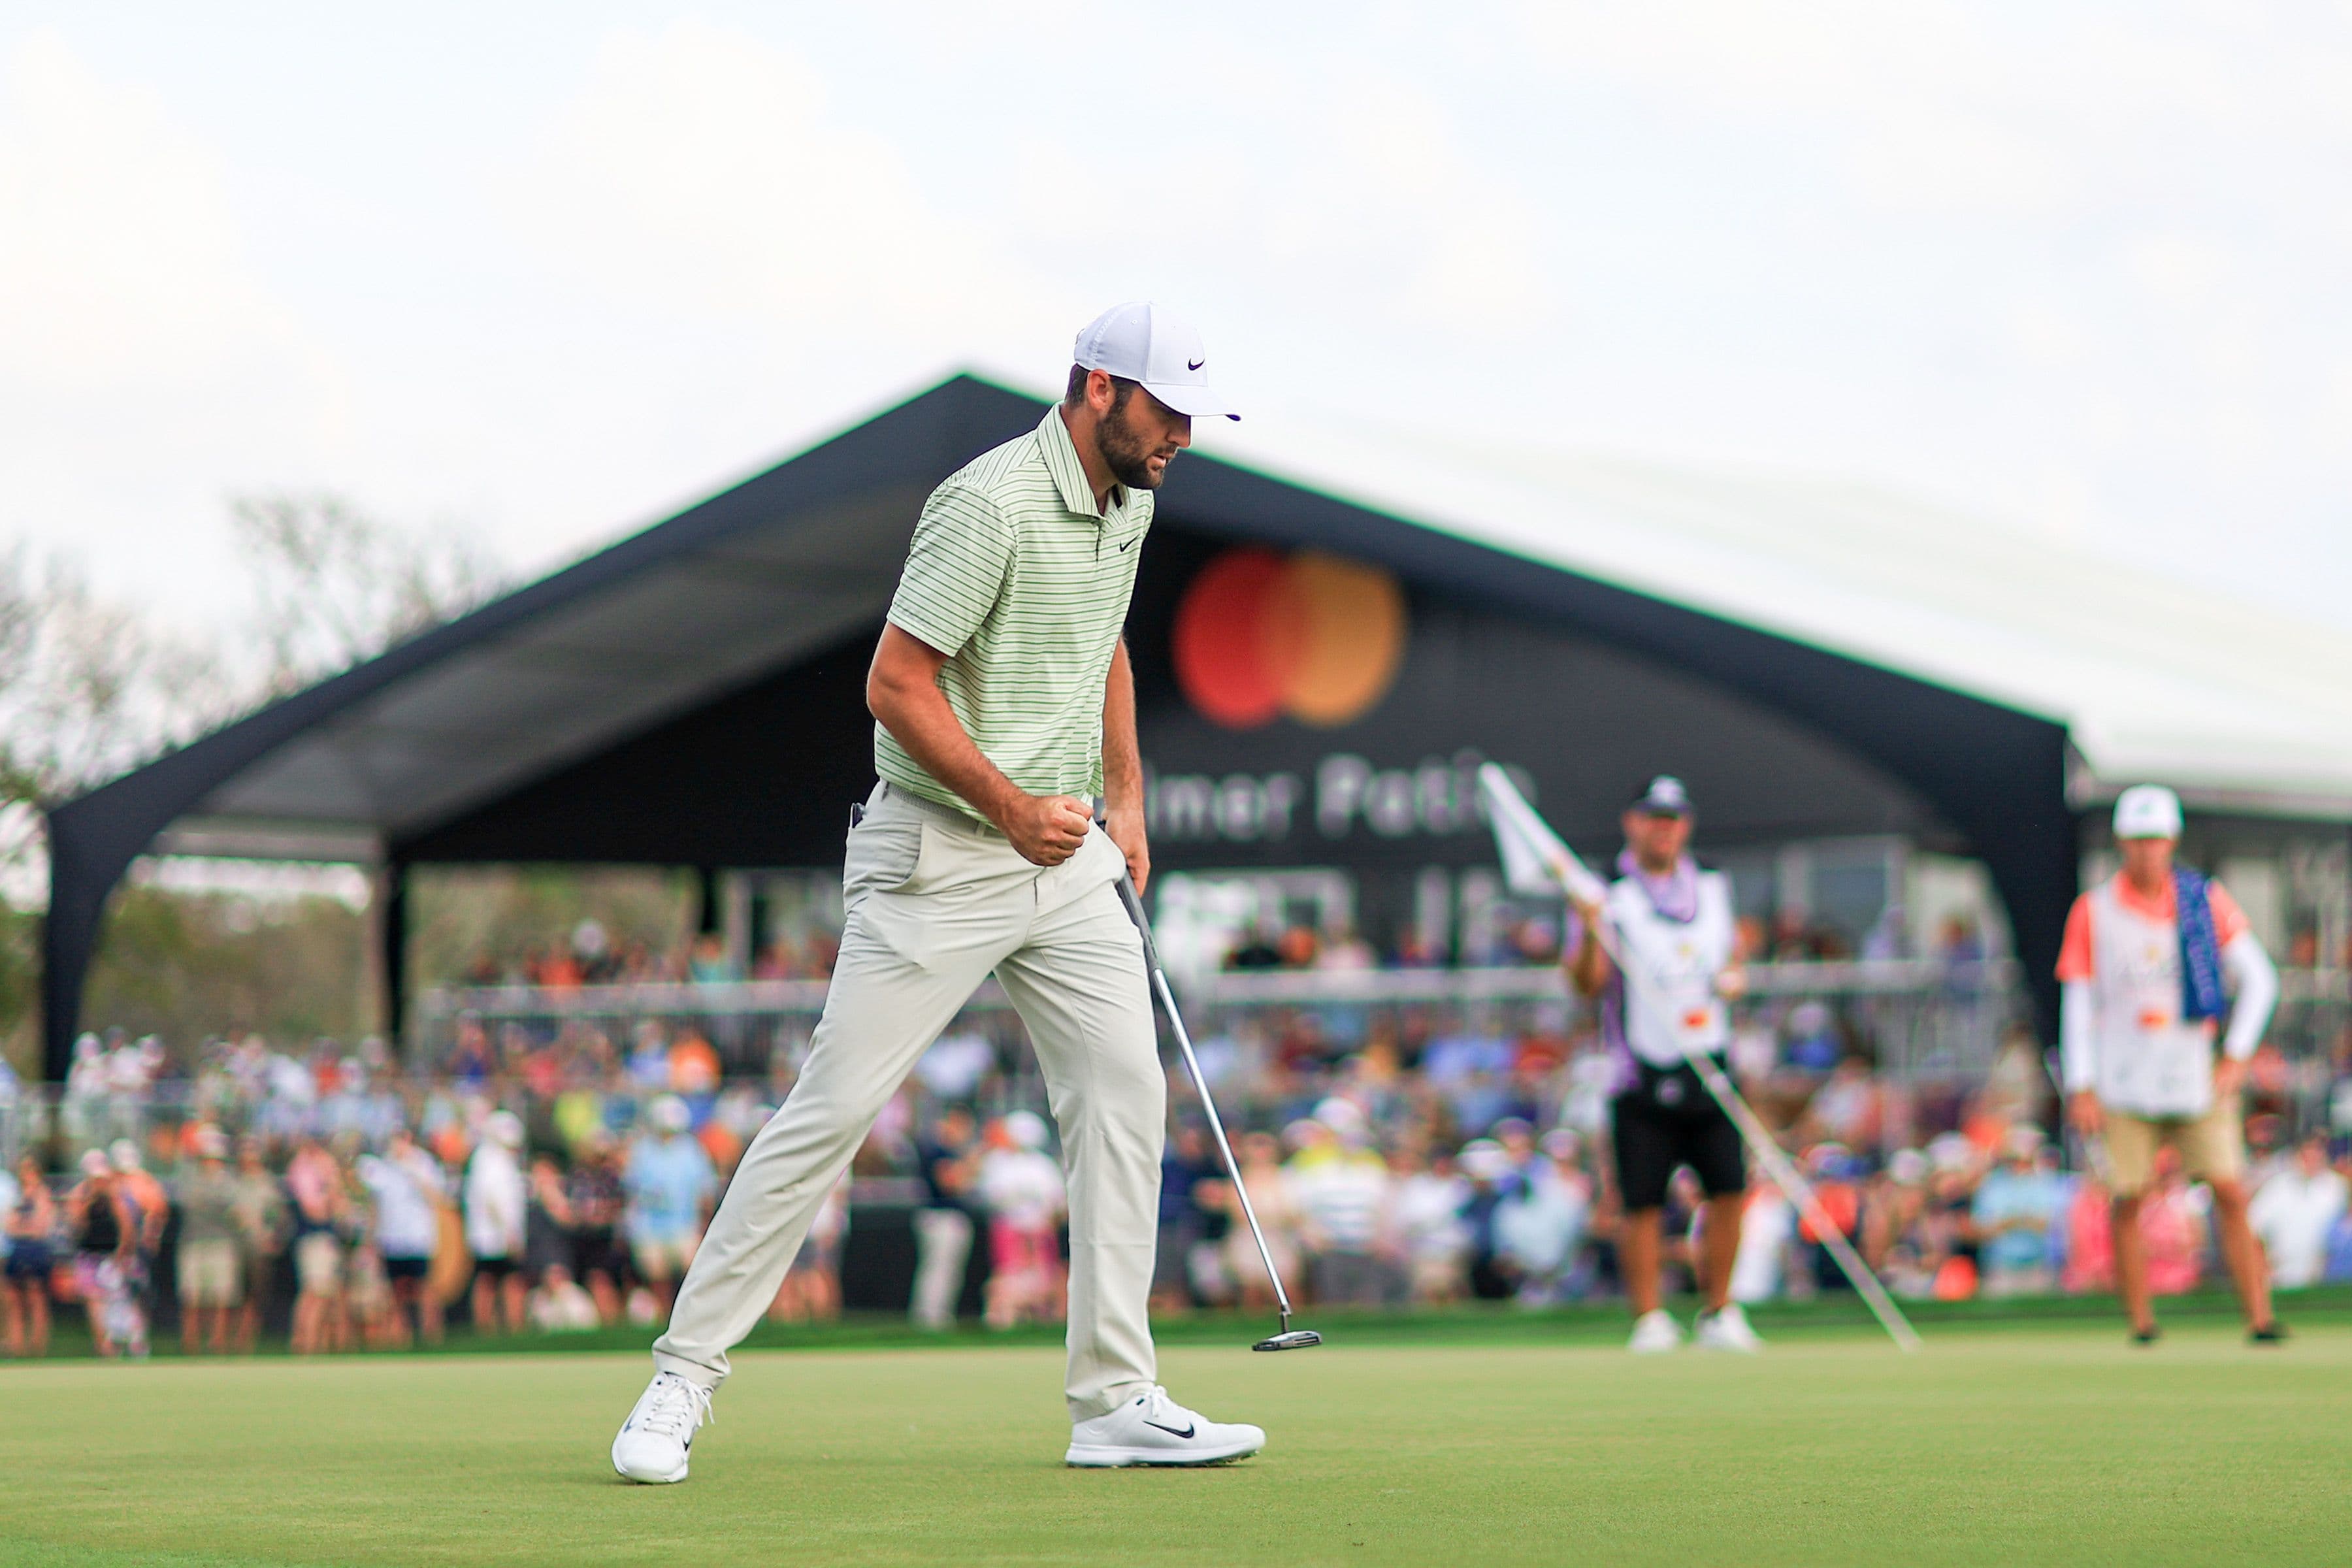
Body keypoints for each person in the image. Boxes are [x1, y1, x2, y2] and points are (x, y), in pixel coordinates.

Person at [613, 303, 1261, 1482]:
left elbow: (1105, 643)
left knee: (1126, 1096)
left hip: (1066, 855)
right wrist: (1010, 807)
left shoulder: (1133, 500)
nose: (1182, 436)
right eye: (1167, 411)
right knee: (832, 1112)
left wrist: (1127, 796)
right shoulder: (989, 504)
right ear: (1098, 389)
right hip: (941, 854)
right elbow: (895, 684)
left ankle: (1116, 1399)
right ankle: (682, 1377)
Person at [2058, 785, 2284, 1344]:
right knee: (2127, 1196)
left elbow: (2260, 979)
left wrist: (2236, 1055)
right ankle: (2142, 1322)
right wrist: (2081, 1083)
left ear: (2172, 841)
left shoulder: (2203, 901)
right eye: (2138, 840)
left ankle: (2260, 1317)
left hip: (2192, 1073)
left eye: (2156, 839)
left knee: (2229, 1190)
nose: (2147, 851)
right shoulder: (2094, 911)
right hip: (2123, 1075)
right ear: (2122, 843)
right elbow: (2079, 1001)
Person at [1564, 776, 1761, 1353]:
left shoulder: (1713, 885)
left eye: (1672, 819)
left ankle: (1719, 1310)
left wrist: (1735, 977)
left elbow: (1731, 958)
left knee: (1728, 1189)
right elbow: (1586, 984)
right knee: (1642, 1199)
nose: (1664, 830)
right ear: (1633, 823)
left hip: (1709, 1060)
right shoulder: (1609, 891)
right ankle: (1649, 1316)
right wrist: (1591, 929)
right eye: (1653, 818)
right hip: (1640, 1069)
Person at [622, 1096, 717, 1318]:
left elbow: (705, 1190)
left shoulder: (692, 1150)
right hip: (649, 1227)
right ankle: (664, 1317)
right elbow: (632, 1189)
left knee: (691, 1275)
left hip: (684, 1224)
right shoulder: (642, 1151)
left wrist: (704, 1224)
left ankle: (690, 1317)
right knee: (657, 1277)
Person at [977, 1111, 1067, 1330]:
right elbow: (991, 1197)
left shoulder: (1043, 1165)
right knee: (1009, 1276)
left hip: (1040, 1231)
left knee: (1043, 1278)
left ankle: (1043, 1319)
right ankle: (1002, 1318)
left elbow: (1057, 1202)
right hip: (1009, 1230)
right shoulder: (997, 1162)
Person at [357, 1127, 446, 1346]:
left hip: (418, 1237)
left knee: (424, 1288)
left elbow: (437, 1197)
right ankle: (401, 1337)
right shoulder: (383, 1166)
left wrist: (413, 1173)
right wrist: (371, 1238)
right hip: (392, 1238)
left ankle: (431, 1335)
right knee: (396, 1291)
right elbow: (376, 1205)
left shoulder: (423, 1163)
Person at [171, 1128, 245, 1354]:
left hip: (221, 1243)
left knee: (221, 1295)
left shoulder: (229, 1181)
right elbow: (192, 1203)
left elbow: (237, 1213)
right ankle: (191, 1342)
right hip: (194, 1242)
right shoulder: (191, 1179)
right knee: (192, 1295)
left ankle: (217, 1342)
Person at [1969, 1125, 2066, 1297]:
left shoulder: (2045, 1183)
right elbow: (1979, 1228)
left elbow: (2051, 1224)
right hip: (2000, 1267)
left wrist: (2019, 1222)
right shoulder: (1992, 1186)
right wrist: (2010, 1223)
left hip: (2037, 1266)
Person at [67, 1150, 144, 1358]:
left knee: (123, 1301)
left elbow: (127, 1228)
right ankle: (104, 1345)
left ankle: (133, 1342)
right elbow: (77, 1225)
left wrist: (120, 1256)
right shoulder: (80, 1196)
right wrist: (89, 1200)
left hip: (113, 1258)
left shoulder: (116, 1197)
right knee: (94, 1301)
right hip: (90, 1257)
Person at [909, 1106, 979, 1330]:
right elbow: (950, 1183)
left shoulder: (950, 1151)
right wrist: (971, 1164)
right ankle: (930, 1318)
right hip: (940, 1217)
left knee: (949, 1272)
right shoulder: (938, 1150)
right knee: (938, 1269)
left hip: (949, 1218)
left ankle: (940, 1315)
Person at [2249, 1135, 2347, 1290]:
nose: (2311, 1157)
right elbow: (2251, 1229)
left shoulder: (2338, 1188)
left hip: (2325, 1281)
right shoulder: (2277, 1187)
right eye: (2306, 1151)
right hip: (2279, 1280)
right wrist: (2261, 1268)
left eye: (2317, 1151)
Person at [464, 1112, 529, 1335]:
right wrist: (509, 1231)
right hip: (493, 1235)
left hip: (496, 1233)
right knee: (495, 1281)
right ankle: (491, 1328)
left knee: (501, 1280)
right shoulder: (489, 1159)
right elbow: (494, 1200)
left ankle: (509, 1328)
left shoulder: (495, 1159)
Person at [3, 1155, 56, 1357]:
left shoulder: (42, 1194)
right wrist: (22, 1227)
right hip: (17, 1250)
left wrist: (21, 1227)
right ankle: (16, 1346)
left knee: (36, 1297)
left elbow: (40, 1228)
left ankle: (37, 1346)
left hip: (35, 1251)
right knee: (14, 1299)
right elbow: (9, 1226)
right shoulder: (18, 1195)